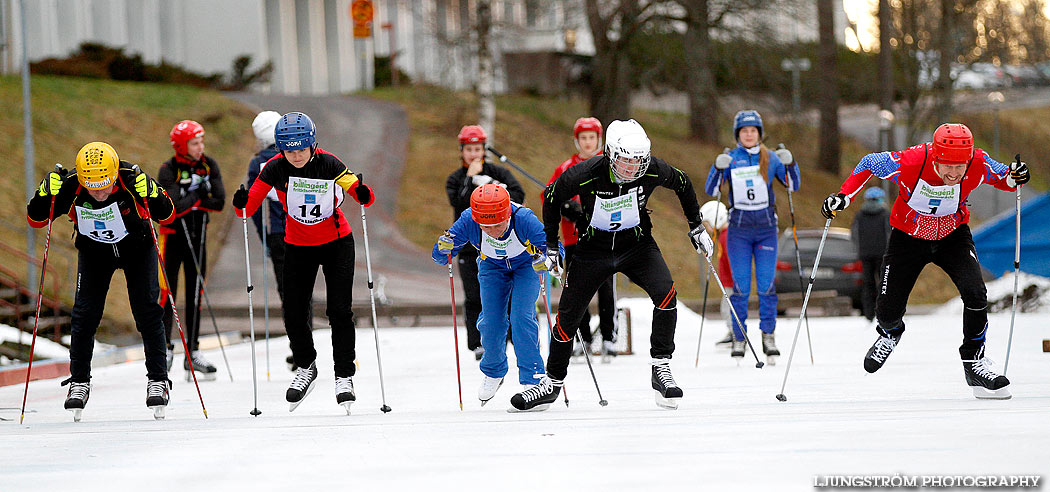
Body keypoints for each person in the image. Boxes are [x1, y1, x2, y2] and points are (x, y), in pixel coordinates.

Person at [509, 119, 713, 411]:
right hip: (592, 249)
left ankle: (661, 367)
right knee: (568, 316)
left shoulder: (652, 168)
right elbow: (552, 195)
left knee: (667, 294)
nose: (632, 169)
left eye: (638, 163)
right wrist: (551, 246)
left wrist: (696, 226)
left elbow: (682, 182)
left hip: (637, 246)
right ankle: (551, 384)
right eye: (625, 162)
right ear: (609, 154)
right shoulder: (588, 172)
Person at [821, 123, 1029, 400]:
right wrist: (843, 196)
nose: (954, 174)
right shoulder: (912, 161)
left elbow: (1005, 177)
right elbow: (869, 163)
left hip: (952, 235)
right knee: (887, 310)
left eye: (960, 167)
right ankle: (891, 333)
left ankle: (974, 362)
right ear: (935, 158)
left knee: (976, 292)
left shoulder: (977, 161)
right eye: (947, 167)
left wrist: (1018, 175)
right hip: (907, 238)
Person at [233, 111, 375, 412]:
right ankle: (305, 366)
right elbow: (249, 204)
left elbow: (358, 190)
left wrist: (362, 192)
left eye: (301, 150)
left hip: (337, 243)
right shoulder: (273, 168)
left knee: (338, 310)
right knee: (294, 309)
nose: (295, 156)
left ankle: (344, 375)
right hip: (297, 245)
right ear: (280, 148)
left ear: (312, 145)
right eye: (289, 150)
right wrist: (242, 202)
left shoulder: (329, 163)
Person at [27, 142, 175, 420]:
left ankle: (158, 379)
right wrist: (43, 195)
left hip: (137, 249)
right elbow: (36, 219)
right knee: (84, 315)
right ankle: (79, 381)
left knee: (147, 311)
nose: (99, 193)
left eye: (105, 186)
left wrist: (154, 193)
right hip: (95, 253)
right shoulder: (71, 184)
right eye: (92, 187)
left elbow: (167, 215)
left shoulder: (130, 176)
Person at [432, 184, 551, 406]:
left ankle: (533, 377)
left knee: (521, 318)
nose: (493, 232)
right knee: (491, 322)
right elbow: (441, 255)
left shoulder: (523, 218)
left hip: (525, 267)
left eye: (498, 225)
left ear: (507, 214)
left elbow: (553, 248)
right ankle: (494, 371)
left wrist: (548, 260)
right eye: (486, 227)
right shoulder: (469, 219)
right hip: (492, 268)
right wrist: (443, 248)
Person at [704, 110, 800, 362]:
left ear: (759, 133)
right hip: (739, 232)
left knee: (767, 285)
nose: (749, 135)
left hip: (766, 230)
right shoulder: (731, 158)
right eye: (744, 131)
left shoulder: (769, 157)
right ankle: (738, 337)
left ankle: (768, 335)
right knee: (741, 287)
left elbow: (792, 185)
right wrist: (717, 167)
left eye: (753, 131)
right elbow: (711, 189)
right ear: (738, 134)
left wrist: (790, 163)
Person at [445, 125, 526, 361]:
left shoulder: (498, 172)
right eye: (469, 149)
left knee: (507, 292)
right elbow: (458, 204)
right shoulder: (455, 178)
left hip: (501, 243)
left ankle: (511, 336)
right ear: (462, 151)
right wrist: (470, 180)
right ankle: (478, 341)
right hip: (470, 247)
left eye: (477, 148)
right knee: (474, 295)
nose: (473, 154)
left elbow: (518, 196)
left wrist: (491, 183)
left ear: (484, 149)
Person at [156, 120, 226, 381]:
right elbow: (173, 209)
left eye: (201, 142)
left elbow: (219, 201)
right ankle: (164, 348)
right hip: (172, 239)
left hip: (198, 238)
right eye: (195, 143)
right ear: (181, 145)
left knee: (195, 295)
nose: (200, 147)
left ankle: (193, 352)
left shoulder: (209, 165)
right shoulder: (168, 169)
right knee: (166, 295)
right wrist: (198, 195)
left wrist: (192, 198)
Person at [246, 110, 312, 372]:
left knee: (288, 293)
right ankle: (303, 348)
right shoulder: (300, 156)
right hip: (306, 230)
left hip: (279, 235)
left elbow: (251, 207)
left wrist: (266, 240)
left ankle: (299, 348)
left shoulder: (258, 164)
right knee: (305, 291)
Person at [546, 117, 617, 358]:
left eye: (592, 138)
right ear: (577, 141)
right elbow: (549, 196)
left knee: (606, 287)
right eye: (583, 138)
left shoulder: (609, 166)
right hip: (574, 239)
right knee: (577, 288)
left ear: (600, 140)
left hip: (605, 237)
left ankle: (609, 337)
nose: (588, 143)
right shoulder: (565, 168)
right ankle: (582, 336)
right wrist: (565, 207)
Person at [698, 200, 736, 346]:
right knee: (726, 307)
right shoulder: (723, 235)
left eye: (707, 224)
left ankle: (735, 334)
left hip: (732, 282)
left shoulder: (727, 236)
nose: (707, 228)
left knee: (728, 308)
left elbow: (732, 260)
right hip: (728, 281)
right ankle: (732, 332)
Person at [851, 186, 891, 321]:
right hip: (883, 255)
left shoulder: (859, 215)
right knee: (884, 284)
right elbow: (890, 234)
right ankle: (885, 313)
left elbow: (854, 235)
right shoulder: (885, 214)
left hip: (865, 255)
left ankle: (869, 313)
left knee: (868, 284)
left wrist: (859, 251)